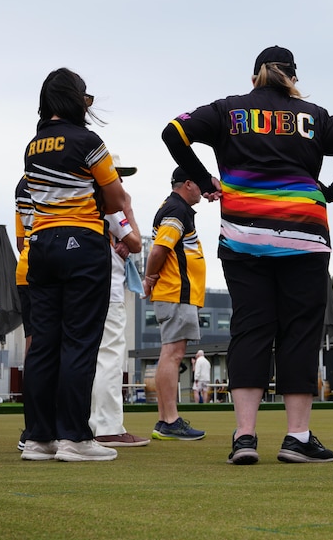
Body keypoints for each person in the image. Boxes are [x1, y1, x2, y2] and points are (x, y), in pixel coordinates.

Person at [161, 45, 333, 464]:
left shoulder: (228, 110)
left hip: (244, 236)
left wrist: (205, 180)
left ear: (254, 77)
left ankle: (245, 437)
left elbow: (174, 131)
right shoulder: (315, 116)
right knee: (299, 330)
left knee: (250, 329)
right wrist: (329, 192)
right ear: (293, 78)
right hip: (305, 236)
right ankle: (297, 437)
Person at [21, 67, 130, 462]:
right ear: (75, 99)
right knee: (80, 342)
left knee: (44, 345)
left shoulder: (32, 146)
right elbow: (116, 200)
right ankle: (74, 438)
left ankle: (38, 438)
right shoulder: (89, 140)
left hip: (41, 245)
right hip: (82, 241)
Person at [142, 166, 207, 441]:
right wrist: (149, 277)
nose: (203, 191)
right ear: (188, 184)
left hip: (176, 293)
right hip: (176, 291)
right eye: (200, 185)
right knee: (173, 354)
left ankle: (164, 420)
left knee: (170, 353)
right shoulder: (176, 209)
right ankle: (169, 420)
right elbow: (159, 248)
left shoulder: (174, 207)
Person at [90, 168, 150, 448]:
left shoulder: (80, 202)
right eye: (117, 177)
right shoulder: (112, 207)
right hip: (107, 290)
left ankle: (87, 423)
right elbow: (136, 243)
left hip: (82, 289)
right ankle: (107, 425)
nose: (121, 183)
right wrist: (128, 205)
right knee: (110, 357)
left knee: (86, 357)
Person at [14, 175, 33, 451]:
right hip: (56, 270)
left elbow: (20, 243)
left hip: (27, 268)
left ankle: (34, 426)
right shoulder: (66, 173)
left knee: (34, 345)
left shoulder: (22, 184)